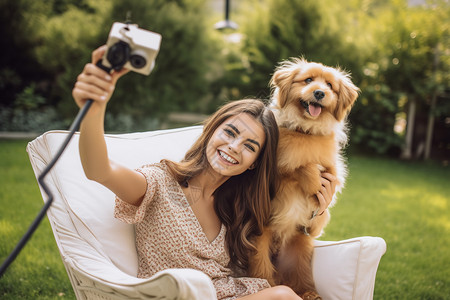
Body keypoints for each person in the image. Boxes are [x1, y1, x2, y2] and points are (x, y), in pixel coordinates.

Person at [72, 46, 337, 300]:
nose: (233, 148)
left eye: (249, 146)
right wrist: (94, 109)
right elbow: (99, 170)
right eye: (230, 133)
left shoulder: (241, 204)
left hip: (235, 293)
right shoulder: (160, 183)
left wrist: (316, 209)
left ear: (254, 163)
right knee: (281, 297)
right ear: (211, 131)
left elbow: (285, 239)